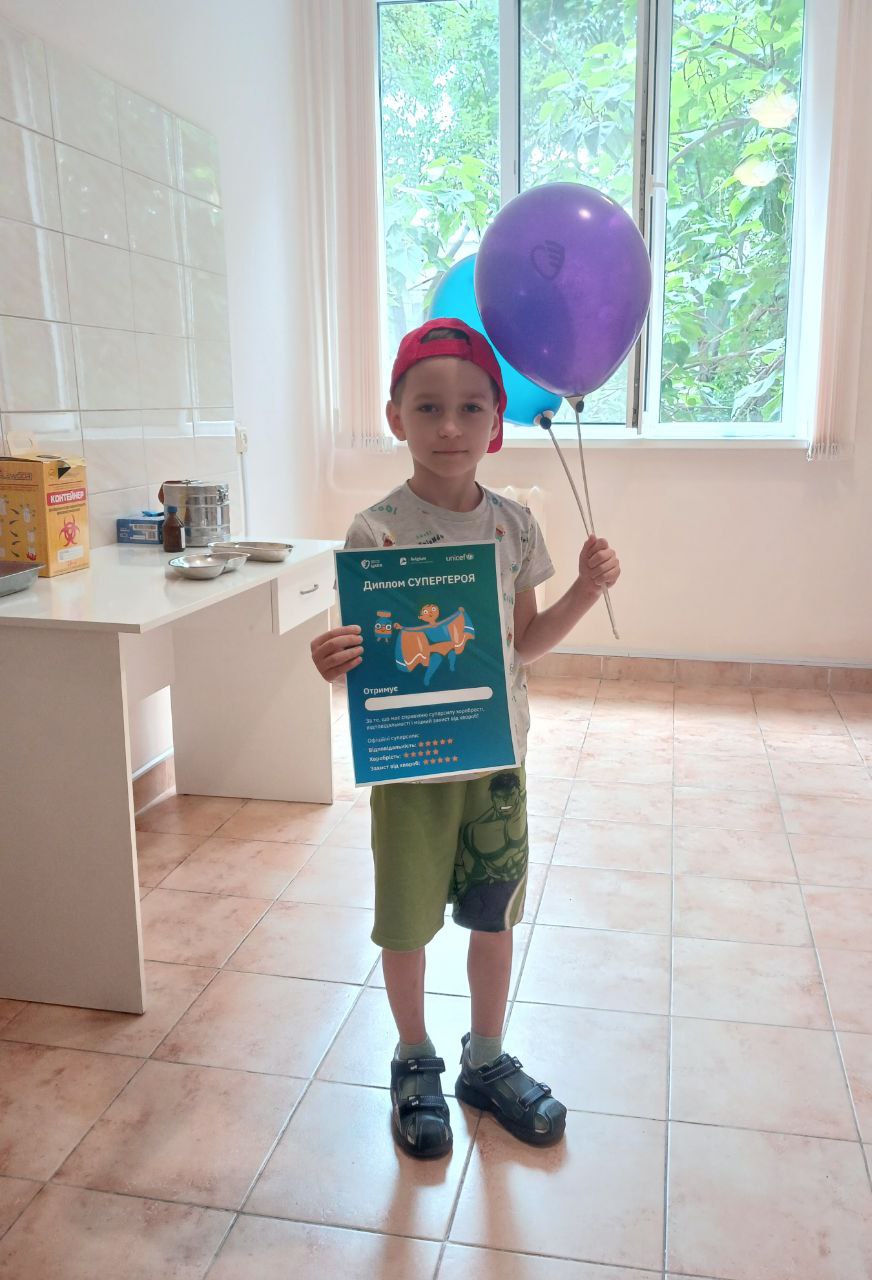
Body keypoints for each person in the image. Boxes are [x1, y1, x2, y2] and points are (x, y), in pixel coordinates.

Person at [311, 317, 620, 1159]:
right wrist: (333, 660)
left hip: (496, 762)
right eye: (428, 407)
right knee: (406, 923)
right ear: (395, 416)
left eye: (471, 407)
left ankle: (485, 1058)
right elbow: (365, 658)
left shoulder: (515, 526)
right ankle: (414, 1057)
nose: (449, 426)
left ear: (498, 421)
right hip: (411, 769)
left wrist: (585, 592)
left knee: (493, 917)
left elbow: (523, 644)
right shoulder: (374, 532)